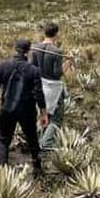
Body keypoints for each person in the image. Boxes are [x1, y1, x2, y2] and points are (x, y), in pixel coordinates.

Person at [0, 39, 48, 173]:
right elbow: (38, 94)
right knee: (33, 139)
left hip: (7, 108)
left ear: (15, 48)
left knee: (3, 140)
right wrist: (43, 113)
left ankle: (2, 172)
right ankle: (38, 169)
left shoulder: (3, 65)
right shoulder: (33, 70)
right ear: (28, 51)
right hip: (27, 111)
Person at [31, 22, 72, 151]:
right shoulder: (57, 51)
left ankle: (35, 140)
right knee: (56, 117)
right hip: (53, 87)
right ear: (56, 34)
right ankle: (45, 144)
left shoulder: (36, 48)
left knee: (42, 113)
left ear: (45, 33)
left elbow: (33, 67)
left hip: (40, 85)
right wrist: (69, 62)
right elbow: (57, 73)